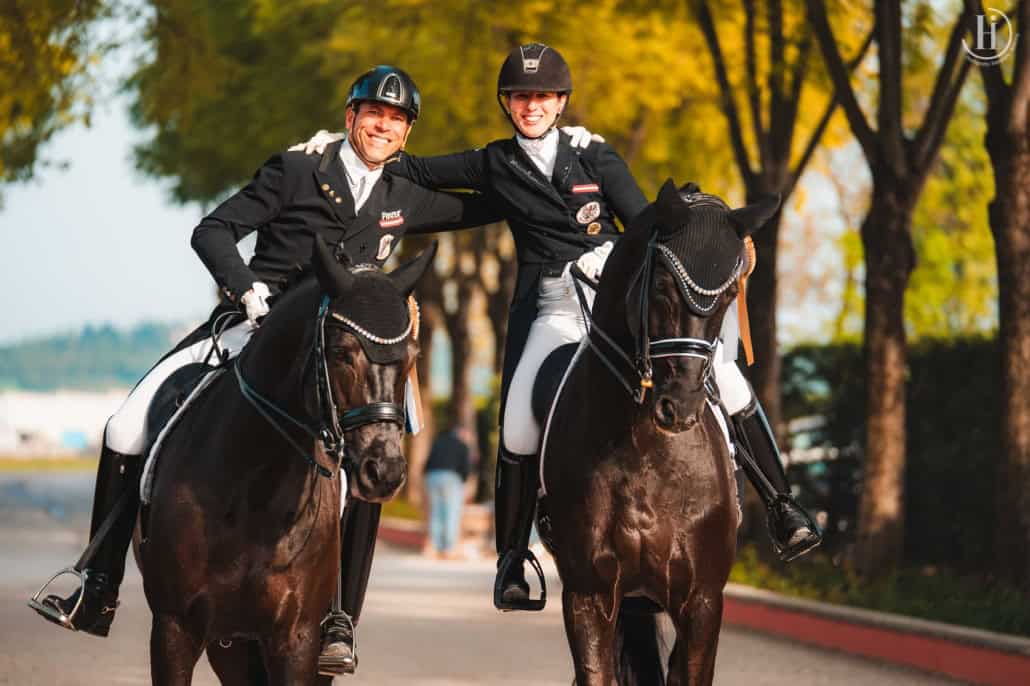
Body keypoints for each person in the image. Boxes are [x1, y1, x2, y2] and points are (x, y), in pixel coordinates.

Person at [298, 43, 821, 612]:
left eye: (543, 97)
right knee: (519, 424)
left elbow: (643, 220)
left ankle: (782, 506)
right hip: (554, 307)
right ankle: (513, 559)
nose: (532, 106)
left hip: (615, 298)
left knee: (729, 377)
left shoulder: (593, 153)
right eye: (521, 97)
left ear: (560, 102)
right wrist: (332, 148)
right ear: (507, 103)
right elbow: (413, 168)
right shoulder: (494, 162)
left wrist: (668, 242)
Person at [30, 65, 500, 676]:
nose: (384, 126)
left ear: (406, 133)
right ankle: (98, 584)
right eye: (374, 114)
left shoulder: (402, 193)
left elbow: (487, 204)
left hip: (338, 352)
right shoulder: (297, 170)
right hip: (258, 328)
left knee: (378, 443)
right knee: (125, 423)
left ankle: (340, 617)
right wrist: (247, 289)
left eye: (396, 120)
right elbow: (214, 230)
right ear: (351, 116)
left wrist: (547, 169)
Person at [422, 425, 474, 559]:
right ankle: (449, 549)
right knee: (452, 513)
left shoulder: (439, 441)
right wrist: (465, 482)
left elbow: (427, 462)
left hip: (432, 477)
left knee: (436, 512)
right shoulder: (462, 445)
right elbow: (466, 468)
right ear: (462, 433)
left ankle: (435, 547)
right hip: (451, 478)